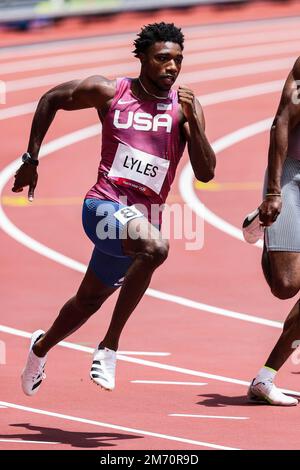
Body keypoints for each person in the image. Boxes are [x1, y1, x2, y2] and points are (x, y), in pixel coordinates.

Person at [12, 22, 216, 395]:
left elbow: (206, 174)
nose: (172, 67)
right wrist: (31, 158)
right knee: (157, 248)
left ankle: (39, 348)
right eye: (163, 59)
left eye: (178, 60)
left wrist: (195, 126)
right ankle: (109, 346)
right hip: (103, 206)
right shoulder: (110, 91)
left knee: (87, 301)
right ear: (141, 58)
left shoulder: (185, 107)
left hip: (139, 222)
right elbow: (50, 99)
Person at [244, 57, 300, 406]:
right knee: (286, 286)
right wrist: (274, 192)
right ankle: (264, 226)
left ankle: (265, 379)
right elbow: (281, 121)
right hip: (293, 174)